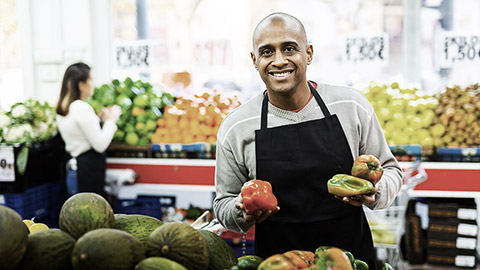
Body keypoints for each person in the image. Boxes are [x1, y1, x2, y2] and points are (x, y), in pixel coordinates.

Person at [213, 12, 403, 269]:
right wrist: (241, 211)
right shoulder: (236, 126)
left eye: (289, 49)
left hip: (350, 260)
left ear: (309, 53)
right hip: (278, 263)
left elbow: (391, 170)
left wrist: (375, 194)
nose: (279, 61)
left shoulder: (350, 105)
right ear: (254, 60)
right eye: (267, 52)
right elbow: (223, 204)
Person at [55, 62, 121, 198]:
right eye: (90, 80)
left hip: (76, 171)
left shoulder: (65, 106)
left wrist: (100, 120)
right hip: (85, 173)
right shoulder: (81, 107)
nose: (93, 84)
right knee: (88, 217)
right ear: (81, 84)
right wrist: (111, 120)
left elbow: (80, 133)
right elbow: (100, 145)